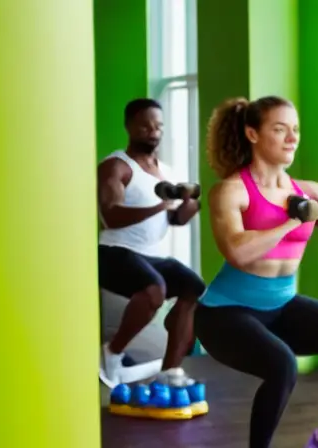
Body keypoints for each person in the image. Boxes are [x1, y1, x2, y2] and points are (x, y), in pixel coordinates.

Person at [193, 95, 318, 448]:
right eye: (280, 129)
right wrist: (290, 222)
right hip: (224, 315)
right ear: (252, 134)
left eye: (295, 130)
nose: (292, 138)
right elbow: (238, 251)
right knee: (283, 366)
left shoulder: (306, 191)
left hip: (282, 306)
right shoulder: (231, 191)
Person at [98, 98, 206, 388]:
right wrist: (160, 207)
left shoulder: (165, 171)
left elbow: (177, 220)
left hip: (152, 256)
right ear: (129, 126)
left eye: (158, 126)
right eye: (145, 125)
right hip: (114, 251)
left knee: (194, 288)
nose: (153, 131)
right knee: (154, 290)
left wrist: (188, 206)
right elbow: (111, 216)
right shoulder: (115, 166)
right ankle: (111, 352)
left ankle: (169, 372)